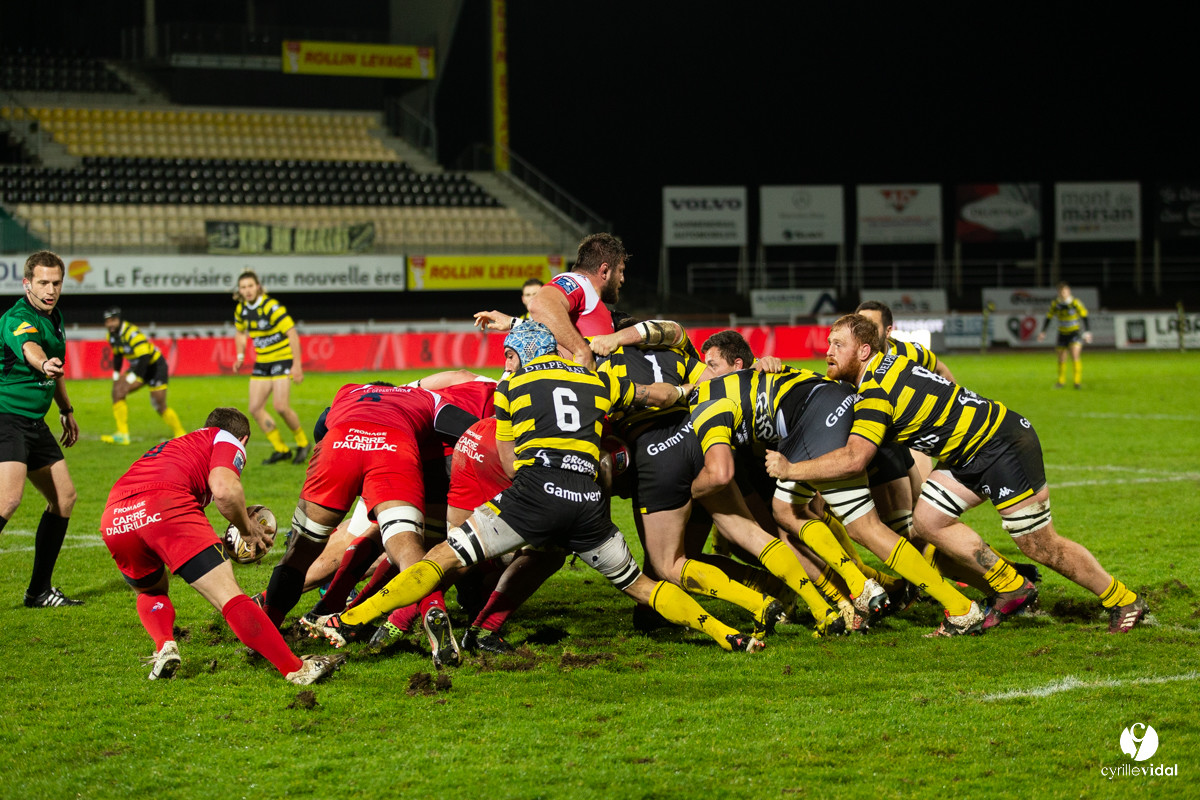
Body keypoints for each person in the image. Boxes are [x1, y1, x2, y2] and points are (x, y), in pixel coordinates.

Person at [311, 322, 764, 653]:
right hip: (588, 504)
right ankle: (729, 635)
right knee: (642, 584)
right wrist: (688, 391)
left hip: (532, 495)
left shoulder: (514, 385)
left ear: (521, 356)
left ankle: (349, 619)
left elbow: (509, 461)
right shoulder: (598, 379)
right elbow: (659, 396)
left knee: (442, 556)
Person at [767, 314, 1148, 634]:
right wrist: (779, 369)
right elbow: (933, 370)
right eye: (829, 344)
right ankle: (1010, 586)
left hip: (1002, 446)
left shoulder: (876, 394)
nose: (828, 352)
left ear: (864, 351)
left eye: (837, 345)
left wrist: (790, 469)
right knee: (927, 523)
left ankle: (1123, 599)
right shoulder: (899, 354)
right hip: (969, 451)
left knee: (1040, 546)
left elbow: (853, 459)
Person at [100, 406, 342, 683]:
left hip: (116, 517)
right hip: (165, 506)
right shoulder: (226, 438)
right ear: (245, 440)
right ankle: (295, 669)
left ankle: (164, 645)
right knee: (229, 596)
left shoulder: (176, 444)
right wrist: (246, 529)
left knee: (150, 590)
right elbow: (225, 490)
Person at [264, 378, 482, 668]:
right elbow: (470, 430)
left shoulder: (347, 390)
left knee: (300, 553)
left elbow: (321, 426)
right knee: (407, 552)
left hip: (340, 443)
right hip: (394, 449)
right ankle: (433, 607)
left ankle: (266, 631)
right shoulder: (425, 397)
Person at [0, 250, 82, 608]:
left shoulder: (55, 316)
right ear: (27, 283)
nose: (50, 289)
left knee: (64, 498)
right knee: (8, 499)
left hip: (35, 422)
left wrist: (66, 410)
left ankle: (38, 591)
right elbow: (29, 348)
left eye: (56, 283)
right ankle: (38, 591)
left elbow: (56, 368)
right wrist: (42, 361)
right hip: (7, 418)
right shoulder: (17, 317)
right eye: (43, 282)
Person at [474, 232, 626, 370]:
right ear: (604, 271)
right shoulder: (577, 281)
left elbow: (555, 335)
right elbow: (540, 304)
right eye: (620, 270)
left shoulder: (589, 299)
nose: (622, 279)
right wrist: (582, 351)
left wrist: (514, 323)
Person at [231, 270, 312, 465]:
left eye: (250, 286)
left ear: (258, 286)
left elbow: (292, 333)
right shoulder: (241, 309)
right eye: (243, 287)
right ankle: (280, 448)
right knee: (255, 408)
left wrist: (297, 365)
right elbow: (240, 333)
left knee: (280, 406)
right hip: (263, 361)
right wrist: (240, 355)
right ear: (240, 290)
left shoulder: (271, 307)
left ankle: (303, 443)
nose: (247, 290)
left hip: (282, 359)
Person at [100, 306, 187, 445]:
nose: (110, 324)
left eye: (113, 320)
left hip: (155, 366)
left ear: (119, 320)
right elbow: (117, 355)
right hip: (139, 368)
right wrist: (116, 375)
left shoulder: (132, 333)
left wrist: (132, 377)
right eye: (107, 321)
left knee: (159, 403)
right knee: (117, 391)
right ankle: (122, 434)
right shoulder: (111, 336)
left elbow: (145, 357)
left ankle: (180, 433)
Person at [1036, 282, 1091, 389]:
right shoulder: (1056, 304)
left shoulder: (1075, 303)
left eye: (1065, 291)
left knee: (1075, 356)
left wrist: (1087, 331)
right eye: (1061, 291)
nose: (1063, 293)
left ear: (1069, 291)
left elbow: (1084, 316)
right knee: (1061, 358)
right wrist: (1043, 332)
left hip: (1074, 333)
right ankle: (1061, 382)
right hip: (1062, 333)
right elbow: (1049, 317)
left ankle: (1077, 382)